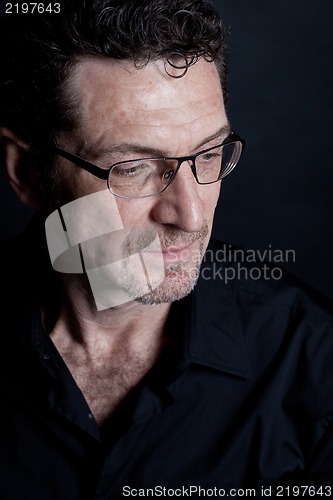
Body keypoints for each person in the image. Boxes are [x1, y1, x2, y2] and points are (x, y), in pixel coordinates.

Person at [0, 1, 333, 498]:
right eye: (132, 168)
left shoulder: (313, 361)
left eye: (208, 153)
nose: (190, 216)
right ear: (27, 174)